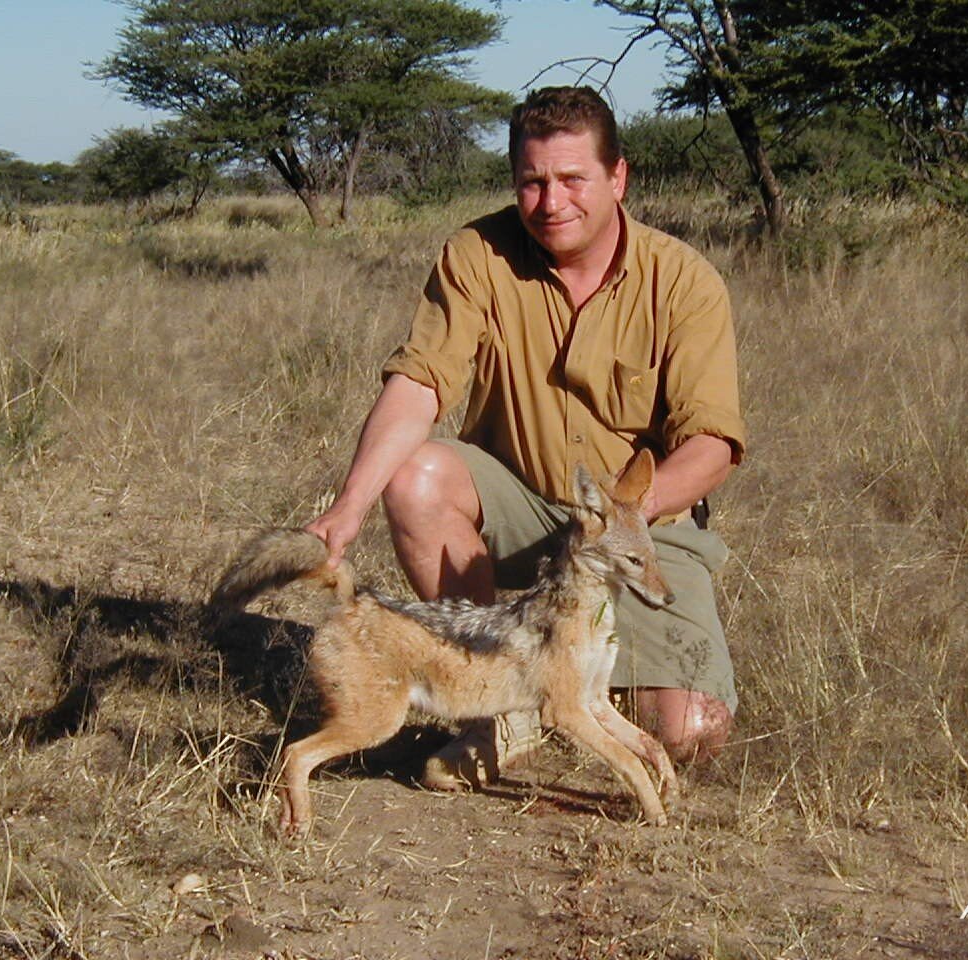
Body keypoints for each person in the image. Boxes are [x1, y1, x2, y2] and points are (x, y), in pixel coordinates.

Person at [305, 85, 746, 790]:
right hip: (518, 506)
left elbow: (713, 444)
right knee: (417, 476)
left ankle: (571, 687)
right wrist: (349, 505)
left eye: (573, 179)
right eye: (533, 183)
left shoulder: (684, 280)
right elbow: (421, 383)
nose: (551, 202)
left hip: (640, 528)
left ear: (618, 178)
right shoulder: (477, 253)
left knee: (691, 734)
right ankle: (496, 716)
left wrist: (621, 522)